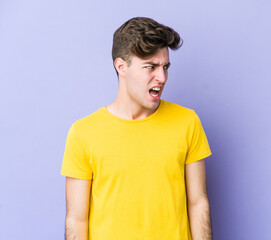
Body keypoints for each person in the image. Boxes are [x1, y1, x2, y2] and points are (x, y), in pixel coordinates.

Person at [60, 17, 213, 240]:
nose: (161, 78)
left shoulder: (187, 122)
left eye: (165, 67)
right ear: (121, 66)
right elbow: (76, 219)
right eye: (151, 67)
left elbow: (198, 201)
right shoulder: (83, 133)